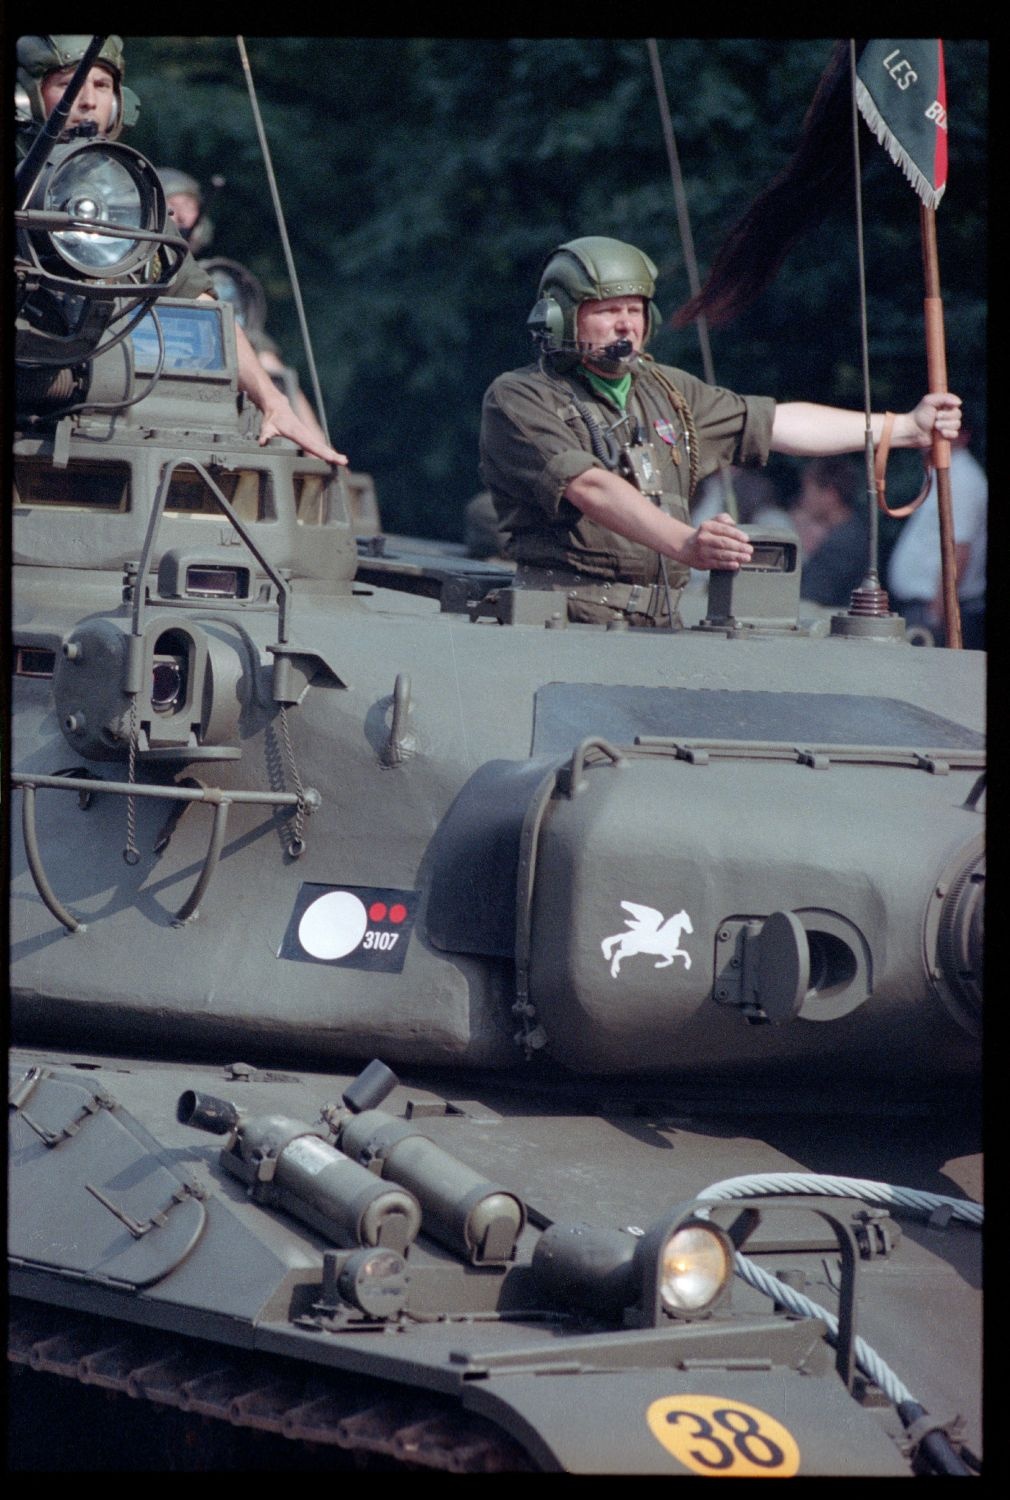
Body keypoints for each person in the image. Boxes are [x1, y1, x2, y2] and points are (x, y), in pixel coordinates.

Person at [479, 237, 961, 626]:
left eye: (635, 308)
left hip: (659, 620)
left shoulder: (668, 391)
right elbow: (590, 485)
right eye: (607, 310)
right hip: (562, 619)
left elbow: (777, 423)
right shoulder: (522, 396)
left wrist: (902, 428)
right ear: (561, 316)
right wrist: (686, 543)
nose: (626, 324)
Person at [16, 35, 345, 469]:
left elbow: (198, 299)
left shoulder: (127, 191)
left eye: (101, 84)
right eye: (68, 84)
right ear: (29, 96)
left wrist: (272, 400)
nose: (88, 100)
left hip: (110, 416)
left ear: (120, 100)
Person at [887, 433, 987, 648]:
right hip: (923, 608)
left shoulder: (962, 480)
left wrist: (935, 615)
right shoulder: (944, 471)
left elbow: (958, 550)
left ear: (963, 435)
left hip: (936, 612)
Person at [791, 457, 870, 607]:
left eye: (809, 492)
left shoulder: (843, 543)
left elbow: (811, 595)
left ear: (830, 495)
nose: (804, 500)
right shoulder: (852, 531)